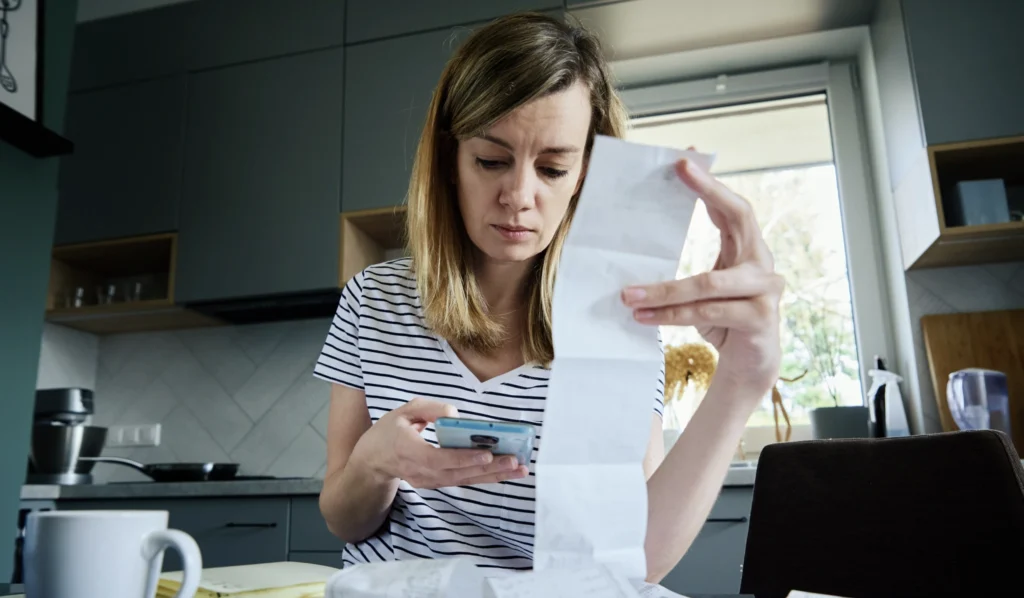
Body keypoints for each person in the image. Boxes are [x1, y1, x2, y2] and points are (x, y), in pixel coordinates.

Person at [314, 12, 783, 582]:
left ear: (586, 171)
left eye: (554, 167)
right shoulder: (374, 299)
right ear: (449, 160)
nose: (519, 196)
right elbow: (344, 520)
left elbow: (635, 561)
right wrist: (375, 462)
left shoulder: (619, 322)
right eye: (491, 160)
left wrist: (740, 380)